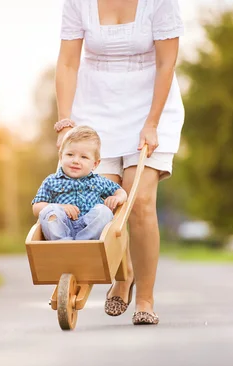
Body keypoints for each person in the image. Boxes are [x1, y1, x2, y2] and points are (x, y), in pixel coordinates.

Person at [54, 0, 186, 325]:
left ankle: (145, 299)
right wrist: (65, 122)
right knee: (101, 202)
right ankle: (124, 274)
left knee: (138, 201)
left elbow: (166, 63)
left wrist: (152, 122)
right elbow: (69, 62)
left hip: (150, 103)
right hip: (95, 104)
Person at [32, 125, 128, 241]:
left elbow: (121, 192)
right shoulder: (51, 181)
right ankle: (63, 243)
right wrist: (60, 207)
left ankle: (84, 243)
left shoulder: (99, 181)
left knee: (104, 211)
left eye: (84, 157)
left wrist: (117, 198)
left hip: (89, 229)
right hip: (61, 228)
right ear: (61, 157)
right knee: (49, 211)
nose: (76, 161)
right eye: (70, 154)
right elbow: (36, 207)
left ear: (95, 164)